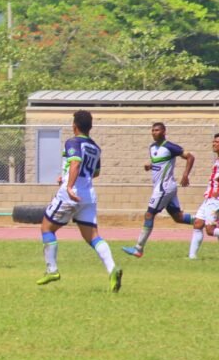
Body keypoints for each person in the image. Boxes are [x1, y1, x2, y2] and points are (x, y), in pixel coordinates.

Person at [36, 110, 123, 293]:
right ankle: (112, 269)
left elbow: (75, 163)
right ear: (90, 127)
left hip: (71, 194)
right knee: (93, 237)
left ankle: (52, 270)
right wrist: (67, 175)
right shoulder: (95, 147)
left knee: (46, 228)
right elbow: (95, 172)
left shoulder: (73, 142)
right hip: (88, 196)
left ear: (74, 125)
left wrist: (69, 185)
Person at [122, 122, 195, 258]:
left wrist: (185, 175)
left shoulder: (170, 146)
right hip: (164, 187)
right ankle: (204, 221)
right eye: (152, 130)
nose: (154, 132)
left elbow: (190, 156)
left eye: (157, 130)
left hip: (164, 188)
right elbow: (159, 162)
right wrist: (150, 165)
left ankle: (138, 248)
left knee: (149, 215)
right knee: (178, 217)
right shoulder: (152, 147)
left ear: (163, 132)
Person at [187, 134, 219, 259]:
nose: (214, 144)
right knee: (198, 223)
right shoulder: (217, 160)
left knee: (210, 230)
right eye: (214, 142)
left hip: (215, 200)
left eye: (217, 142)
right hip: (209, 198)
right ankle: (192, 257)